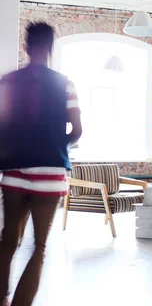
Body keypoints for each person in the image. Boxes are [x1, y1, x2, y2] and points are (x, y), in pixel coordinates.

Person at [0, 22, 82, 306]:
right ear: (50, 48)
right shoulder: (65, 84)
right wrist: (57, 145)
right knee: (40, 247)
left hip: (13, 171)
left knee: (8, 241)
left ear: (26, 45)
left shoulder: (7, 82)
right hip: (51, 171)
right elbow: (78, 130)